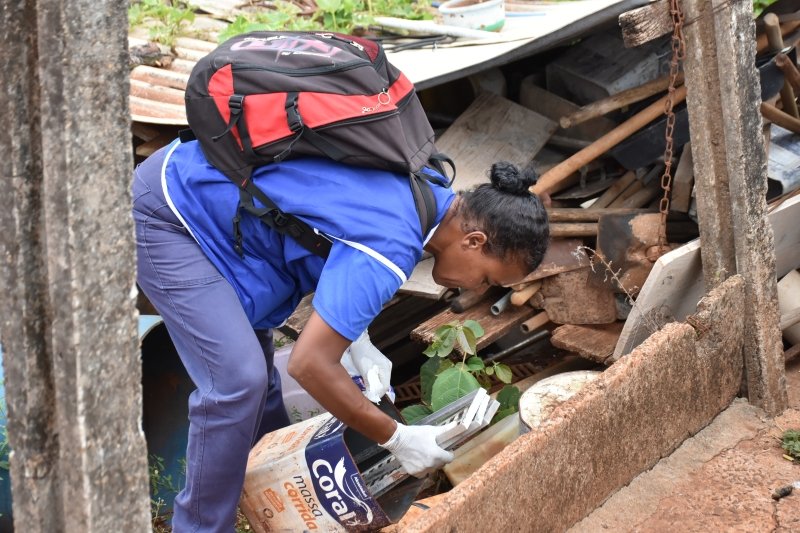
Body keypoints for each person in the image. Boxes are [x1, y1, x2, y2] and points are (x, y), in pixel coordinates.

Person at [132, 137, 549, 532]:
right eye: (487, 277)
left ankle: (268, 499)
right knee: (238, 382)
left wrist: (359, 340)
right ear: (474, 241)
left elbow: (337, 237)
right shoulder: (395, 243)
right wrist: (396, 437)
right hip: (174, 213)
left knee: (264, 394)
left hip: (225, 214)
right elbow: (310, 365)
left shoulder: (431, 191)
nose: (475, 288)